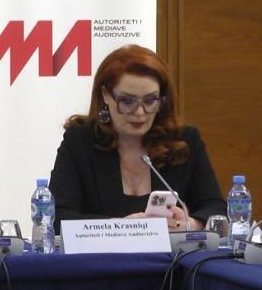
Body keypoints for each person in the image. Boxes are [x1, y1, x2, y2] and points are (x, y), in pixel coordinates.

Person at [49, 44, 226, 233]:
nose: (140, 112)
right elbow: (56, 217)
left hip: (172, 253)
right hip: (103, 253)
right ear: (106, 95)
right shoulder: (80, 142)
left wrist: (191, 224)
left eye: (150, 101)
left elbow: (216, 209)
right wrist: (120, 227)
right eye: (127, 101)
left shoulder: (184, 141)